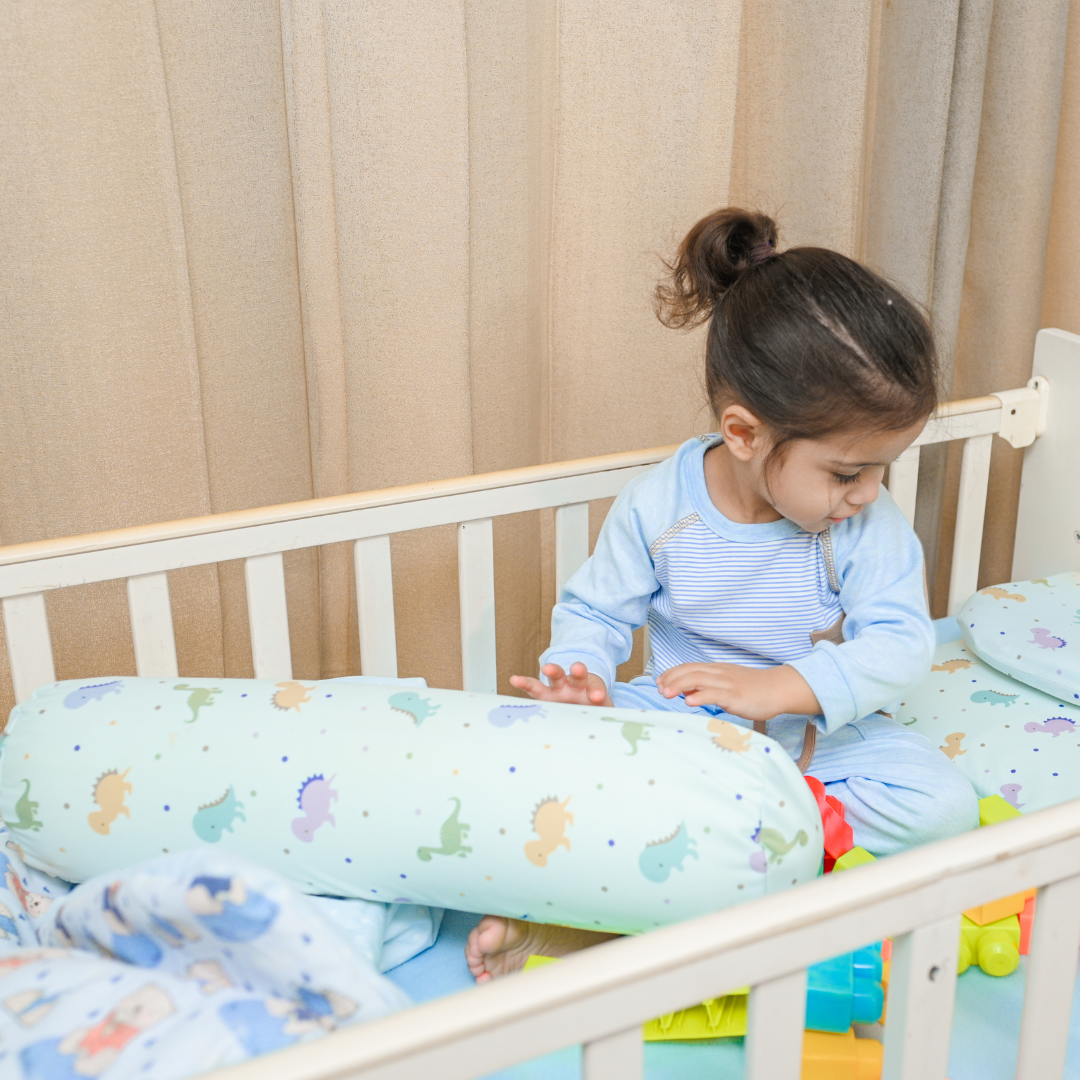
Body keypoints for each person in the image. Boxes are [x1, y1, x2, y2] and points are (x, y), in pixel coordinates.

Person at [466, 207, 978, 982]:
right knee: (546, 772)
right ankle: (575, 927)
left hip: (811, 748)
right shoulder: (657, 507)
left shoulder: (861, 526)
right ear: (744, 435)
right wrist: (583, 679)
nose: (870, 493)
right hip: (681, 730)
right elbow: (597, 614)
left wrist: (781, 688)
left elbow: (902, 644)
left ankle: (732, 865)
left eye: (884, 469)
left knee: (943, 805)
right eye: (848, 472)